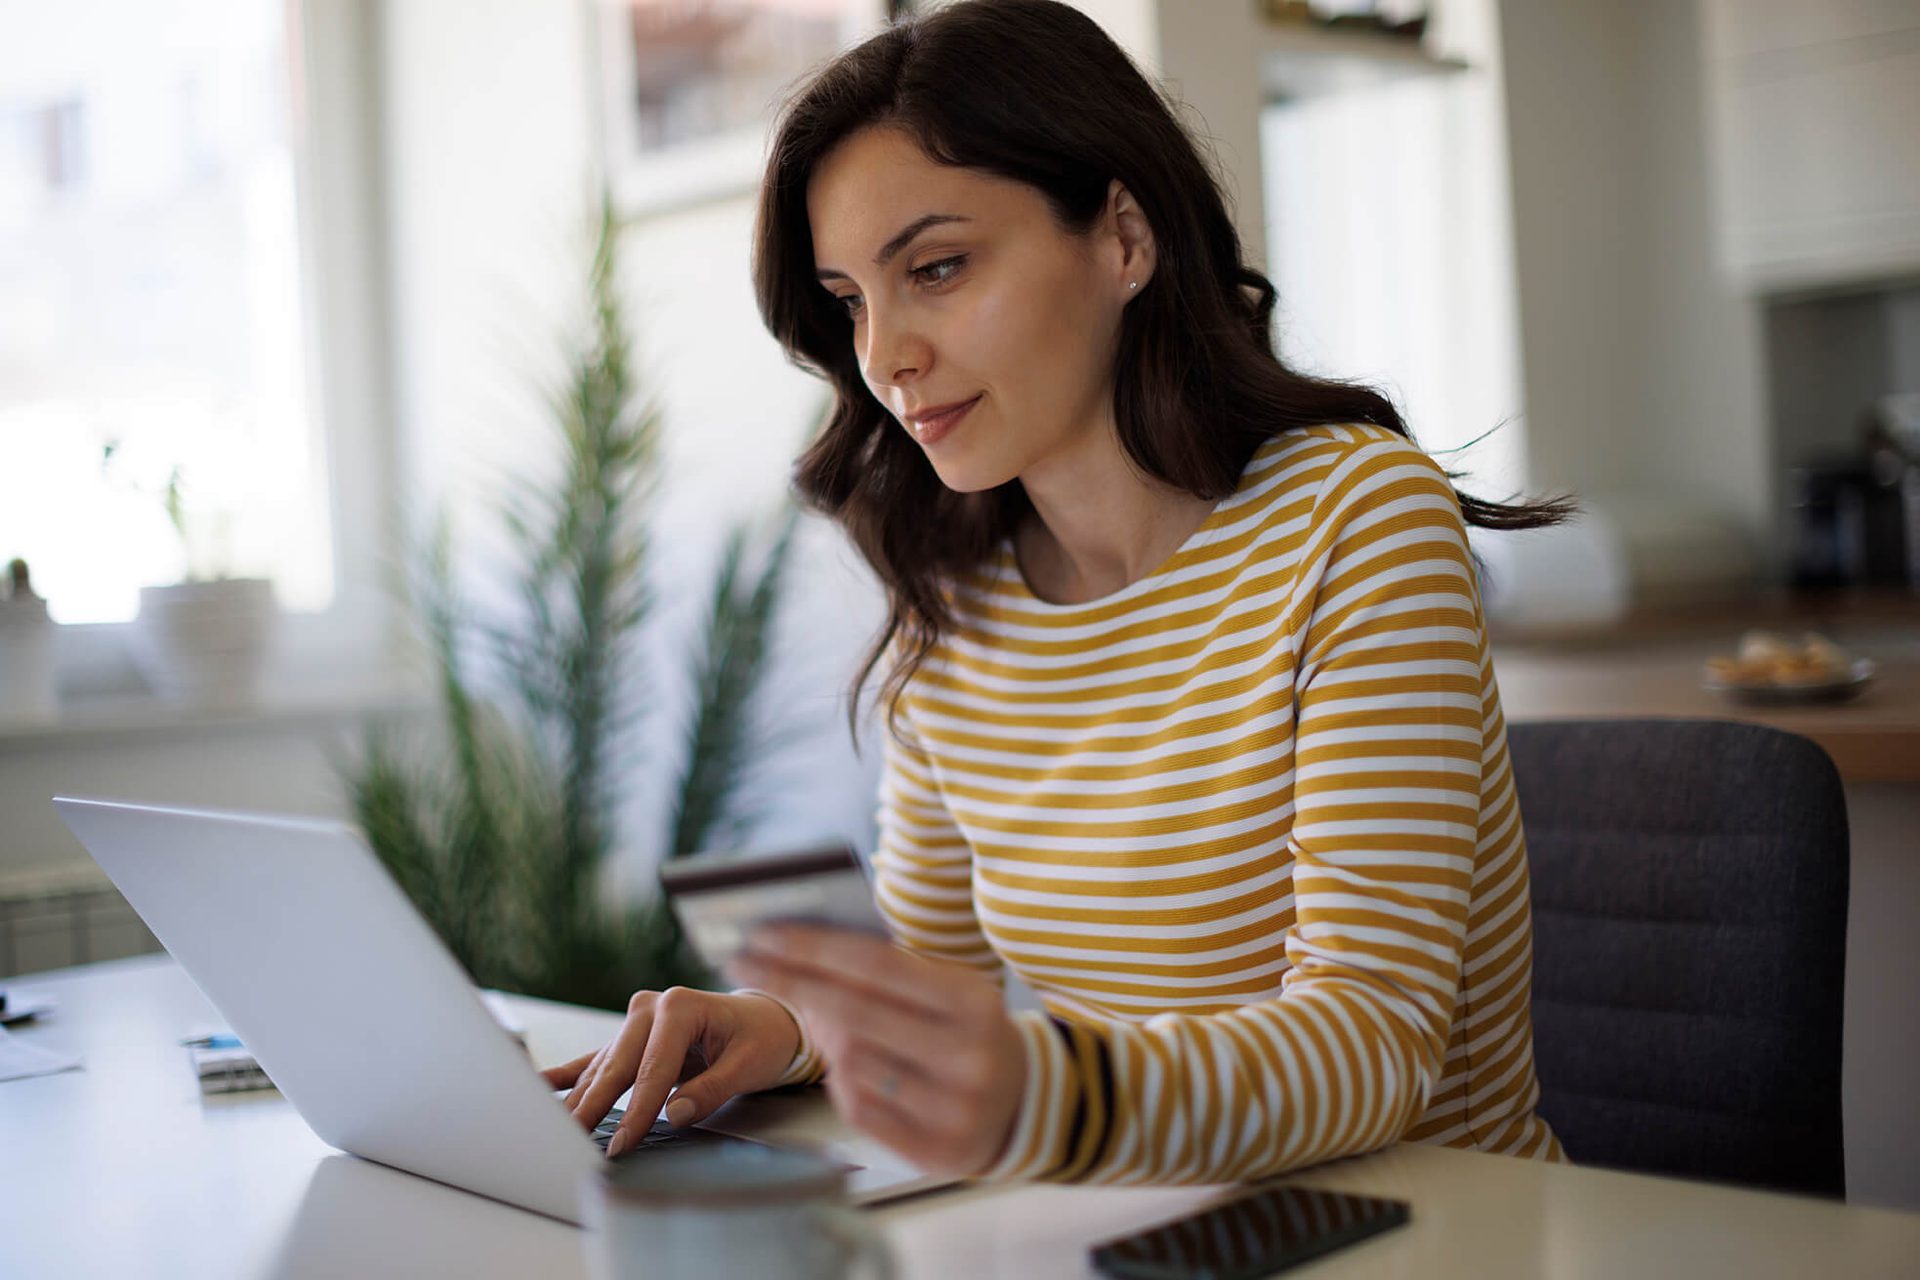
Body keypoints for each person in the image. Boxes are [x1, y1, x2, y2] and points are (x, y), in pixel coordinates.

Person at [544, 0, 1570, 1183]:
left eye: (936, 268)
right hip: (1133, 1225)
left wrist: (1042, 1093)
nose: (884, 354)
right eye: (850, 301)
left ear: (1124, 237)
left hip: (1427, 1234)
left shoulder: (1354, 520)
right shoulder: (957, 595)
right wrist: (782, 1031)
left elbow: (1372, 1042)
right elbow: (939, 983)